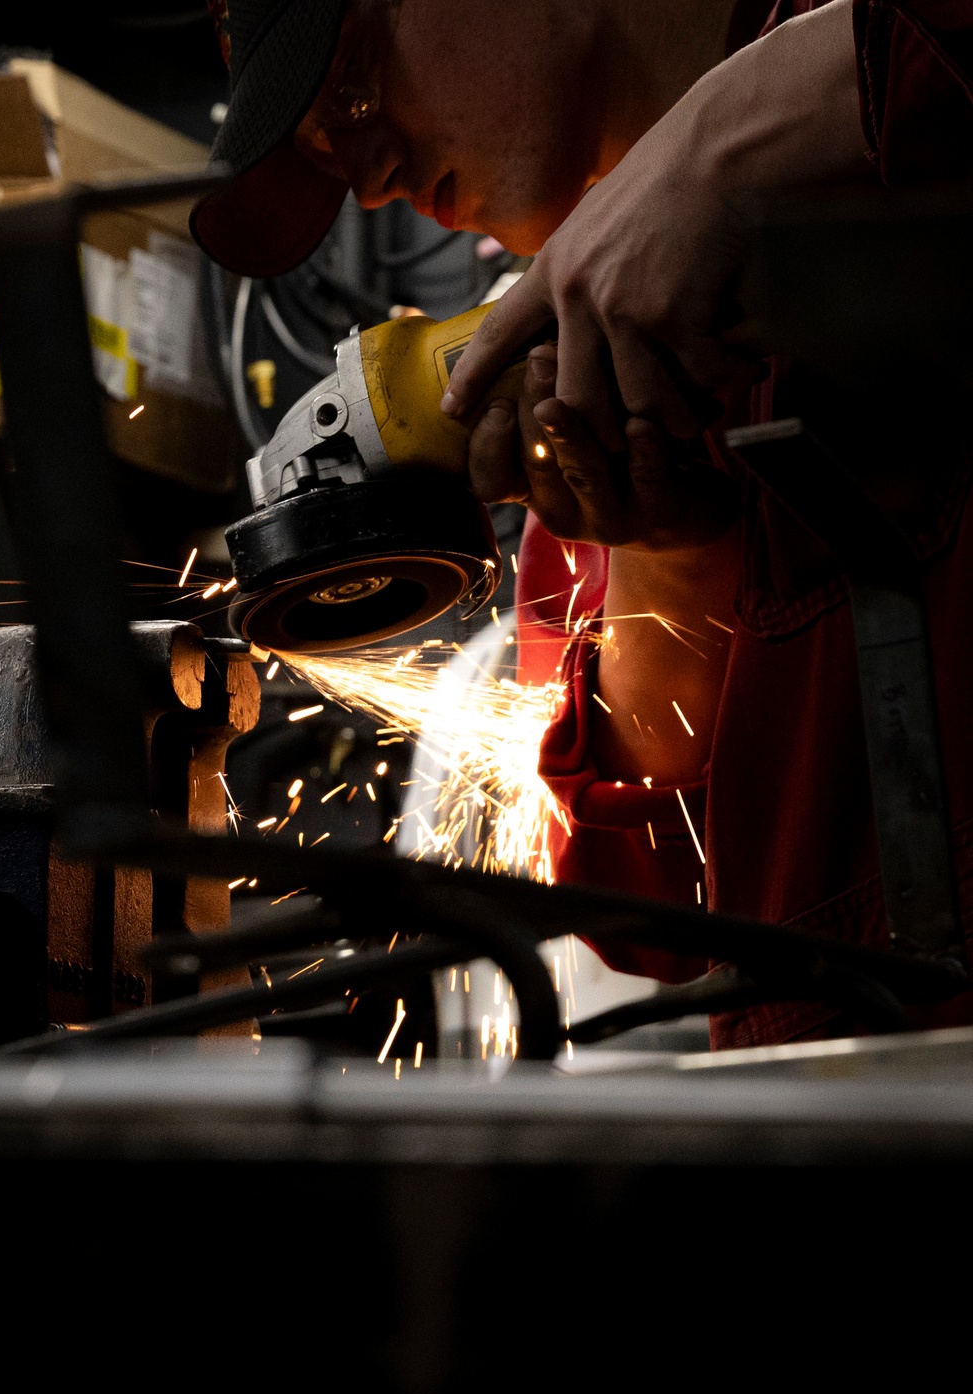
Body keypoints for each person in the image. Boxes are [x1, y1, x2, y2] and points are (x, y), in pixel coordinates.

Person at [194, 0, 973, 1046]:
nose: (367, 177)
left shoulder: (901, 56)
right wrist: (670, 559)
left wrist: (718, 140)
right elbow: (650, 924)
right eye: (327, 155)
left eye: (356, 85)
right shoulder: (574, 392)